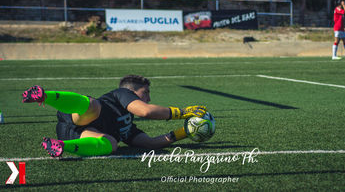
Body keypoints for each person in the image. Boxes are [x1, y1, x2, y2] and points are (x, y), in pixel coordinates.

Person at [22, 75, 207, 158]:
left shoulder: (127, 126)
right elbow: (146, 111)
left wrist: (183, 132)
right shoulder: (121, 93)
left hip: (76, 134)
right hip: (77, 114)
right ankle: (43, 96)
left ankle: (61, 146)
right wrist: (182, 112)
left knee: (111, 144)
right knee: (94, 106)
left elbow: (150, 144)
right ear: (132, 91)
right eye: (146, 92)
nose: (149, 98)